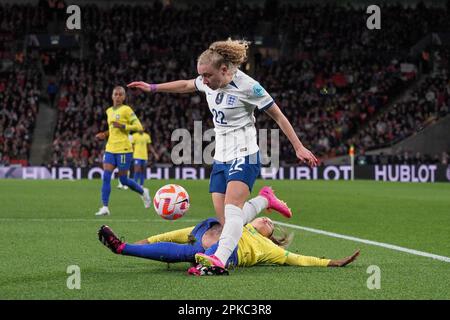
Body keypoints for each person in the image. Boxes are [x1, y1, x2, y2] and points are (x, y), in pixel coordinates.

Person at [127, 39, 319, 275]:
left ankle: (217, 260)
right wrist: (153, 87)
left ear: (224, 70)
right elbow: (187, 84)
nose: (204, 81)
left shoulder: (250, 87)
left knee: (232, 211)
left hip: (245, 154)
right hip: (221, 157)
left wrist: (298, 147)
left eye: (207, 76)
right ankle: (264, 200)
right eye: (202, 76)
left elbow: (278, 116)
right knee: (229, 221)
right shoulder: (208, 82)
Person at [98, 216, 360, 276]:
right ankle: (122, 247)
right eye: (266, 218)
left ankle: (207, 265)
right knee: (194, 239)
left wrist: (333, 262)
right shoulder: (238, 223)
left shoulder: (271, 249)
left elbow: (300, 260)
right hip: (211, 244)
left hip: (228, 254)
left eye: (270, 224)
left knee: (198, 252)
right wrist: (149, 240)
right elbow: (181, 232)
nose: (267, 220)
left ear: (268, 235)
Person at [94, 86, 151, 216]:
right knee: (106, 177)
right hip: (110, 148)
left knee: (124, 180)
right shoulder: (108, 111)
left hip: (124, 149)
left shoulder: (127, 110)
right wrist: (104, 134)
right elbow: (113, 130)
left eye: (121, 94)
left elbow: (139, 126)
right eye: (116, 94)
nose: (118, 96)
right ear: (112, 96)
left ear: (124, 97)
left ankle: (143, 192)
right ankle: (105, 207)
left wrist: (123, 126)